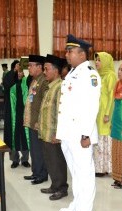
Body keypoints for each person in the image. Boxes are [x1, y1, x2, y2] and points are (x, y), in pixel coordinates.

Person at [56, 34, 101, 211]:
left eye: (70, 51)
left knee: (84, 172)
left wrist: (85, 134)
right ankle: (77, 203)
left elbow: (91, 107)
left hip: (81, 133)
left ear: (82, 54)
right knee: (74, 171)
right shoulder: (73, 73)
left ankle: (85, 210)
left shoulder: (89, 74)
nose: (67, 54)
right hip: (68, 132)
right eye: (67, 51)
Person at [38, 54, 69, 200]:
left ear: (56, 71)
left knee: (57, 161)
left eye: (47, 69)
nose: (45, 72)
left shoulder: (60, 87)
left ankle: (62, 188)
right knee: (50, 160)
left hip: (54, 134)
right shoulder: (50, 87)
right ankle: (54, 185)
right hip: (46, 132)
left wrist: (59, 133)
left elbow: (61, 112)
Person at [23, 55, 49, 184]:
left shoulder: (43, 81)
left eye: (31, 65)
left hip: (38, 122)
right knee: (34, 149)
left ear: (39, 67)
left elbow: (45, 104)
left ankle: (42, 174)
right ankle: (35, 172)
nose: (29, 68)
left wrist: (40, 120)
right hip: (31, 121)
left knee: (39, 150)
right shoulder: (33, 80)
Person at [93, 52, 117, 177]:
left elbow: (112, 96)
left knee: (104, 140)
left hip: (105, 114)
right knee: (98, 140)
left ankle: (105, 168)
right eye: (96, 60)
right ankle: (99, 167)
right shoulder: (98, 76)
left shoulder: (110, 76)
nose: (96, 62)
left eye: (99, 60)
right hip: (97, 113)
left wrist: (107, 113)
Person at [6, 68, 31, 168]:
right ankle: (14, 160)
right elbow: (5, 80)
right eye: (18, 72)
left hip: (24, 114)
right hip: (13, 115)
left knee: (25, 137)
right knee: (14, 137)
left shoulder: (27, 83)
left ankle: (25, 159)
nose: (20, 74)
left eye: (21, 72)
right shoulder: (11, 84)